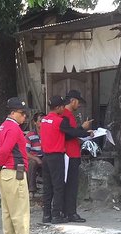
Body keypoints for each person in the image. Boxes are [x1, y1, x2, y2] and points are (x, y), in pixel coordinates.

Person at [0, 97, 42, 234]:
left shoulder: (3, 127)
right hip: (14, 172)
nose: (25, 117)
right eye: (23, 113)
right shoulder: (13, 129)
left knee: (7, 210)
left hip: (4, 173)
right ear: (13, 113)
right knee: (20, 209)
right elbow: (5, 149)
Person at [40, 95, 93, 224]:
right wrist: (87, 132)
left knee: (47, 187)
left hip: (45, 157)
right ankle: (56, 215)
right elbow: (72, 133)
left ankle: (46, 215)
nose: (64, 109)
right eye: (62, 107)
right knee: (58, 186)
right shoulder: (60, 121)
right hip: (57, 156)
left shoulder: (44, 120)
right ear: (58, 107)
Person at [63, 90, 94, 223]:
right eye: (78, 102)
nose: (79, 105)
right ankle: (70, 213)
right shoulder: (65, 115)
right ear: (73, 101)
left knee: (71, 184)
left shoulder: (68, 114)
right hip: (69, 154)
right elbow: (69, 134)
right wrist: (83, 129)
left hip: (72, 152)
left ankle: (68, 212)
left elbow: (72, 134)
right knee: (71, 185)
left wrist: (82, 132)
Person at [25, 112, 45, 196]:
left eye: (44, 121)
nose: (43, 123)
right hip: (34, 158)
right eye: (40, 121)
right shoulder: (30, 135)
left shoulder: (48, 133)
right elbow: (26, 152)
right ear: (35, 122)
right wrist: (36, 158)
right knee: (32, 163)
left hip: (45, 157)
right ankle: (31, 190)